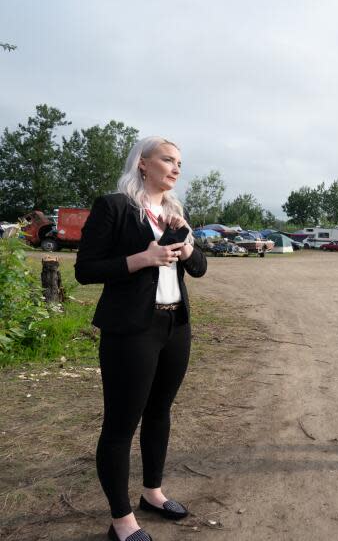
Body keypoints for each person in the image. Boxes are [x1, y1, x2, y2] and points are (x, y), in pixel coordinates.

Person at [76, 136, 208, 541]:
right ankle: (121, 520)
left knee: (159, 412)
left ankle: (152, 491)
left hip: (175, 326)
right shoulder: (115, 207)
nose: (176, 167)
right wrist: (143, 259)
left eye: (179, 162)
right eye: (167, 159)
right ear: (142, 164)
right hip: (132, 330)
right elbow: (86, 270)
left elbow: (200, 268)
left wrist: (185, 247)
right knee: (121, 424)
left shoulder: (174, 212)